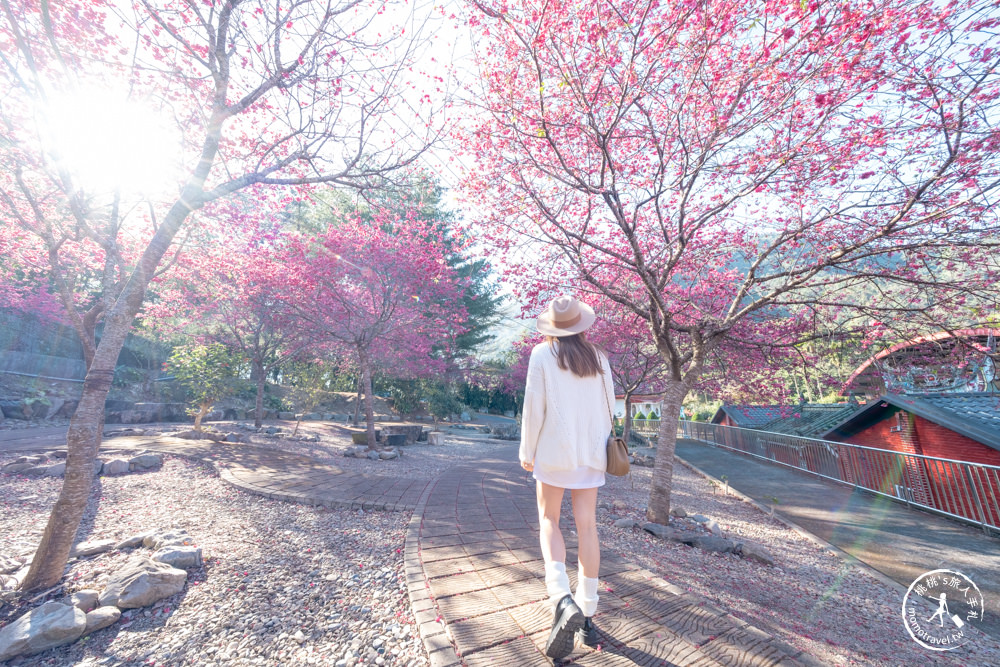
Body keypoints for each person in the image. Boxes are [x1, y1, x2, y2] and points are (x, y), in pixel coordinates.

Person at [519, 295, 615, 660]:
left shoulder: (542, 356)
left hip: (554, 453)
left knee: (549, 520)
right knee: (587, 527)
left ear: (552, 328)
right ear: (582, 325)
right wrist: (595, 447)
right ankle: (588, 615)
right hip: (591, 455)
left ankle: (561, 598)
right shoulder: (600, 359)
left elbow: (533, 407)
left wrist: (527, 452)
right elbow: (609, 410)